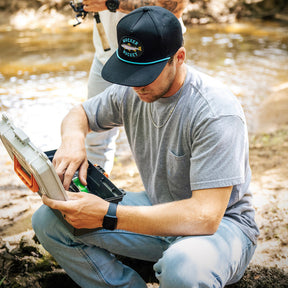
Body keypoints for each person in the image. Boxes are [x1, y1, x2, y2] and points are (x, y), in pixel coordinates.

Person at [33, 6, 259, 288]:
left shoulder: (215, 112)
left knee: (183, 270)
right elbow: (79, 114)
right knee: (49, 220)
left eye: (145, 74)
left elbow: (205, 217)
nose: (136, 86)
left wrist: (108, 214)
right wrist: (73, 142)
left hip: (224, 229)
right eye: (129, 72)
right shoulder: (132, 91)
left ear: (178, 58)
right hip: (158, 209)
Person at [82, 0, 188, 175]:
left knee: (169, 139)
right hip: (108, 56)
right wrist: (72, 141)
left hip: (156, 58)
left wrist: (111, 3)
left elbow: (175, 7)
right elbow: (81, 116)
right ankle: (94, 193)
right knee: (95, 138)